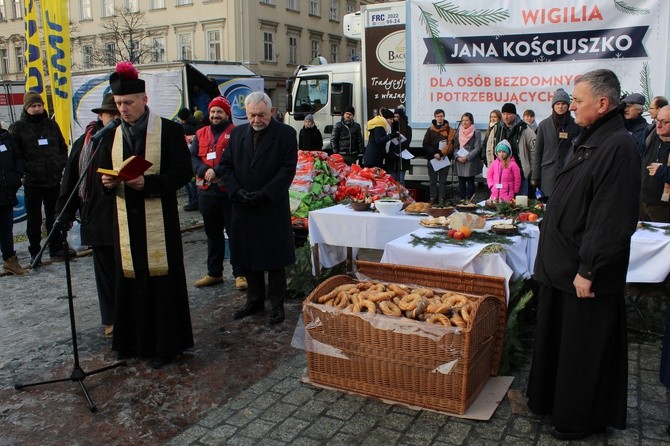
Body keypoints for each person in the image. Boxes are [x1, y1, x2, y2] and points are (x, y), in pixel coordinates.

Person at [527, 69, 640, 440]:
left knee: (582, 348)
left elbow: (610, 217)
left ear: (602, 103)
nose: (571, 106)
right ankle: (551, 402)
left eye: (577, 101)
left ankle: (579, 418)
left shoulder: (619, 147)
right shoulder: (591, 136)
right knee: (559, 339)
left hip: (583, 271)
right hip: (562, 264)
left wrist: (589, 268)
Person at [100, 61, 194, 368]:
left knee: (161, 283)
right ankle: (134, 342)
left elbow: (183, 173)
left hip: (159, 221)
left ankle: (165, 346)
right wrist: (107, 182)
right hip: (125, 221)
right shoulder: (111, 134)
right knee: (131, 279)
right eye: (118, 104)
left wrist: (148, 183)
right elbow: (102, 174)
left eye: (128, 103)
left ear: (144, 99)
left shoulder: (169, 130)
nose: (123, 109)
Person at [220, 92, 297, 325]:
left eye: (261, 115)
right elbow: (226, 167)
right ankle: (254, 300)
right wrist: (236, 191)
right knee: (248, 256)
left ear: (271, 112)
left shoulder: (285, 134)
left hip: (271, 206)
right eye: (252, 115)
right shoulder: (237, 134)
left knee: (274, 259)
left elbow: (287, 169)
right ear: (246, 113)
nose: (256, 120)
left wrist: (265, 194)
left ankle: (277, 304)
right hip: (244, 206)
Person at [56, 93, 119, 337]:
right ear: (100, 115)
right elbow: (70, 180)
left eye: (117, 114)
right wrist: (64, 213)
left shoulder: (130, 139)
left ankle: (132, 314)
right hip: (95, 216)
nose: (113, 118)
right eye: (109, 114)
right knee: (105, 273)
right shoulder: (86, 142)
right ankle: (111, 319)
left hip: (124, 214)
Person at [190, 96, 248, 290]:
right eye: (213, 111)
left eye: (219, 112)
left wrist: (216, 171)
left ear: (227, 114)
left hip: (228, 193)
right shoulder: (200, 133)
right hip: (206, 192)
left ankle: (240, 273)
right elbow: (192, 158)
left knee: (235, 234)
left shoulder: (237, 133)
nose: (215, 115)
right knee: (212, 234)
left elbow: (236, 159)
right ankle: (214, 273)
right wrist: (202, 171)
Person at [8, 92, 69, 264]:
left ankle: (56, 247)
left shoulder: (51, 124)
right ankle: (35, 250)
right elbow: (15, 155)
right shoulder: (18, 127)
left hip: (53, 179)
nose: (37, 109)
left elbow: (62, 147)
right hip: (32, 182)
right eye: (33, 106)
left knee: (54, 216)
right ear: (26, 108)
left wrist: (60, 164)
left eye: (39, 105)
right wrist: (26, 170)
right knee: (33, 219)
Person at [530, 88, 581, 201]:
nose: (560, 106)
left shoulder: (576, 124)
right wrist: (535, 176)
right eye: (557, 103)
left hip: (568, 173)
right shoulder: (544, 125)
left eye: (563, 103)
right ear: (553, 106)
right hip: (548, 175)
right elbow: (538, 152)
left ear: (568, 105)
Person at [485, 102, 536, 196]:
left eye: (508, 114)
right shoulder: (497, 129)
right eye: (503, 114)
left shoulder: (525, 129)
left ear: (515, 114)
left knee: (521, 202)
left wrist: (531, 170)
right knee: (501, 202)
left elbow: (533, 150)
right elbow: (489, 148)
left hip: (520, 173)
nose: (505, 116)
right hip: (500, 175)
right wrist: (492, 166)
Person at [0, 121, 27, 275]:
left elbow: (18, 157)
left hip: (7, 191)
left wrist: (17, 176)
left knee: (6, 228)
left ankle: (10, 260)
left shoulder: (5, 136)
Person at [640, 105, 670, 222]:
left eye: (664, 122)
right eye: (658, 120)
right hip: (643, 202)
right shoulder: (650, 134)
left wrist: (664, 172)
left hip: (664, 207)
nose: (659, 125)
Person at [422, 108, 455, 205]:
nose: (440, 118)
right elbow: (425, 144)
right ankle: (432, 198)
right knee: (432, 181)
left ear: (444, 117)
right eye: (438, 116)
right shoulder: (430, 130)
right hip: (432, 159)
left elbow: (450, 144)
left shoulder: (450, 130)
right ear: (435, 117)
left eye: (441, 116)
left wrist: (441, 154)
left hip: (444, 159)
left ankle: (442, 199)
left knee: (442, 181)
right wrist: (434, 154)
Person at [453, 112, 482, 201]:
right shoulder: (458, 132)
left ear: (471, 121)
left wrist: (467, 157)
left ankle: (469, 201)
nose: (464, 122)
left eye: (466, 120)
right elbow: (455, 147)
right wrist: (457, 157)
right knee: (461, 181)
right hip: (460, 159)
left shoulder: (476, 132)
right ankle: (462, 200)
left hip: (470, 160)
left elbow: (477, 148)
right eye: (463, 120)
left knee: (470, 181)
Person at [178, 107, 201, 212]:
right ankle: (197, 201)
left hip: (187, 158)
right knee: (197, 180)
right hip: (199, 157)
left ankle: (193, 202)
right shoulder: (199, 125)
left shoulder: (182, 128)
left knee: (189, 181)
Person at [384, 106, 413, 185]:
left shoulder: (407, 128)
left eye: (398, 116)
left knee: (401, 180)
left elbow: (407, 141)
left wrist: (399, 150)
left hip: (402, 156)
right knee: (393, 180)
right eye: (395, 117)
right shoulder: (390, 128)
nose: (396, 118)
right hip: (392, 157)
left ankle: (401, 196)